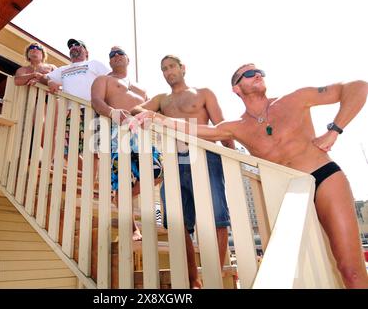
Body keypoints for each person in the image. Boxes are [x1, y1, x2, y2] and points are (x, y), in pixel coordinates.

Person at [135, 63, 368, 289]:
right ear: (236, 88)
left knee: (351, 269)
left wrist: (334, 130)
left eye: (259, 72)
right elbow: (200, 130)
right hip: (287, 194)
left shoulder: (295, 99)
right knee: (296, 269)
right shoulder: (238, 126)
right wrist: (158, 119)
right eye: (248, 73)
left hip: (324, 177)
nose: (257, 75)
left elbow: (357, 87)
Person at [131, 55, 235, 288]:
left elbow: (222, 127)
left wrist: (232, 155)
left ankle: (214, 278)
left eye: (172, 67)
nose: (168, 72)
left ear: (182, 68)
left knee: (217, 217)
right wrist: (147, 113)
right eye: (164, 69)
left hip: (205, 155)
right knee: (177, 222)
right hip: (174, 160)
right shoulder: (161, 99)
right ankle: (193, 280)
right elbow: (135, 109)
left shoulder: (203, 92)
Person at [91, 46, 163, 241]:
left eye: (119, 53)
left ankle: (122, 197)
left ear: (127, 59)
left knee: (158, 172)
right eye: (111, 55)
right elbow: (96, 101)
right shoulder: (103, 79)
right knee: (122, 180)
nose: (115, 56)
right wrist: (112, 112)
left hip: (141, 134)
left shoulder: (141, 88)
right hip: (117, 133)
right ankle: (133, 229)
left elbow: (150, 108)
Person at [46, 39, 110, 168]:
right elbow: (46, 77)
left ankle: (90, 185)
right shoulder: (63, 69)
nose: (73, 47)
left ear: (86, 51)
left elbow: (111, 79)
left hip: (93, 110)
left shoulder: (94, 64)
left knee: (93, 150)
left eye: (77, 45)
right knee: (66, 150)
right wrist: (50, 82)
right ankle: (84, 176)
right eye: (71, 46)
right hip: (71, 113)